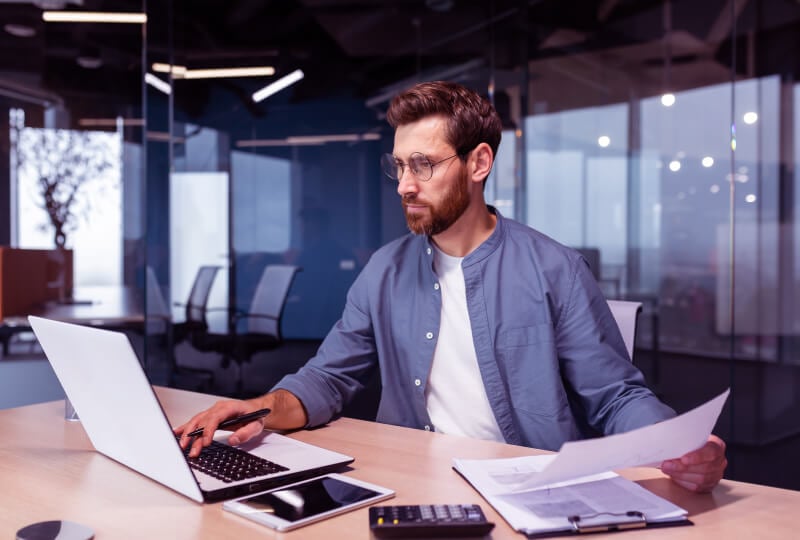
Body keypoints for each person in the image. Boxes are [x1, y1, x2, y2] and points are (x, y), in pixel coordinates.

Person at [176, 80, 727, 493]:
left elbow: (615, 396)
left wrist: (679, 446)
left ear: (479, 162)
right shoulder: (384, 272)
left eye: (423, 165)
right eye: (399, 167)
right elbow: (327, 378)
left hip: (530, 488)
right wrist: (258, 409)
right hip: (410, 481)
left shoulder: (555, 268)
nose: (406, 186)